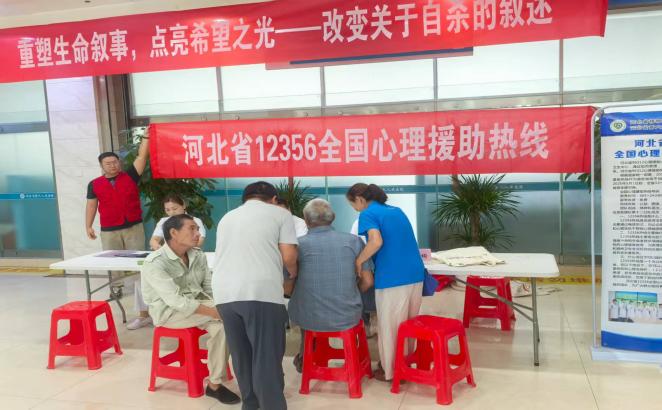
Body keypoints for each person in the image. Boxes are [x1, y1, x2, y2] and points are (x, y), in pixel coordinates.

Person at [213, 181, 298, 410]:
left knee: (241, 354)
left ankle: (250, 404)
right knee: (266, 354)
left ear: (245, 199)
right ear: (274, 199)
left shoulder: (227, 217)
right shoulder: (280, 214)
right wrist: (292, 274)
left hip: (224, 293)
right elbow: (289, 256)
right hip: (260, 292)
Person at [140, 214, 240, 405]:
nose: (198, 233)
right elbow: (175, 301)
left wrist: (218, 307)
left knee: (223, 327)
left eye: (197, 229)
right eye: (192, 229)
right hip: (169, 313)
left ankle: (214, 385)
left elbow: (209, 287)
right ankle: (248, 372)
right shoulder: (155, 263)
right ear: (173, 233)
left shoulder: (197, 255)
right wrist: (215, 312)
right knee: (230, 316)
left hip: (199, 308)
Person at [346, 183, 425, 382]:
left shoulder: (367, 213)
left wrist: (359, 260)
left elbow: (376, 241)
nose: (355, 209)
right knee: (407, 325)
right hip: (415, 274)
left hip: (392, 277)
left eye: (353, 204)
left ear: (360, 199)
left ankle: (391, 372)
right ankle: (404, 366)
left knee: (389, 327)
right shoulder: (396, 211)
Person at [288, 199, 374, 373]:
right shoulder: (354, 242)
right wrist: (350, 293)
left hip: (309, 316)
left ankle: (306, 356)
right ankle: (350, 357)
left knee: (304, 306)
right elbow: (368, 281)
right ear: (332, 217)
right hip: (347, 315)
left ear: (306, 220)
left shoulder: (297, 245)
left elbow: (287, 287)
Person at [86, 137, 150, 329]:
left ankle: (143, 305)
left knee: (138, 265)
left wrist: (146, 137)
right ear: (101, 166)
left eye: (115, 162)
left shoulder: (130, 176)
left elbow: (141, 157)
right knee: (113, 265)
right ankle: (117, 290)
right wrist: (88, 226)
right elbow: (91, 205)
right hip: (109, 230)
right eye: (108, 163)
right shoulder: (94, 184)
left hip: (133, 227)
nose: (113, 165)